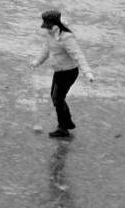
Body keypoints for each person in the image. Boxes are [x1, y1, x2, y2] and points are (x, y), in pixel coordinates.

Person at [31, 10, 95, 139]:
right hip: (58, 71)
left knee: (58, 98)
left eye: (48, 25)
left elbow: (78, 55)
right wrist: (38, 61)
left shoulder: (66, 37)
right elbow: (47, 49)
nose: (47, 28)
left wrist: (87, 72)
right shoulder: (51, 34)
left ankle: (63, 127)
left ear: (55, 24)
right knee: (56, 98)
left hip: (68, 72)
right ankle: (66, 123)